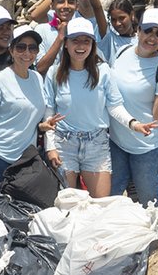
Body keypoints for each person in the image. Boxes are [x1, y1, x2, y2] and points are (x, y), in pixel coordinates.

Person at [0, 23, 53, 189]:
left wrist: (42, 127)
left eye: (32, 48)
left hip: (25, 159)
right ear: (11, 50)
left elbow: (28, 117)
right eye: (21, 47)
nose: (27, 53)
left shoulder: (37, 78)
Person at [106, 7, 158, 205]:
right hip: (118, 142)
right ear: (138, 29)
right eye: (148, 30)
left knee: (148, 203)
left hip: (151, 147)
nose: (152, 38)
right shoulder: (123, 51)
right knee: (111, 197)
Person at [44, 17, 113, 196]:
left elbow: (115, 106)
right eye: (75, 40)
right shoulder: (54, 73)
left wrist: (133, 123)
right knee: (67, 204)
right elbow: (49, 113)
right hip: (63, 144)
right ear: (66, 43)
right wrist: (50, 147)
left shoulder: (103, 71)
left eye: (86, 41)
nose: (81, 46)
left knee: (100, 205)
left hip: (96, 144)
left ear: (93, 44)